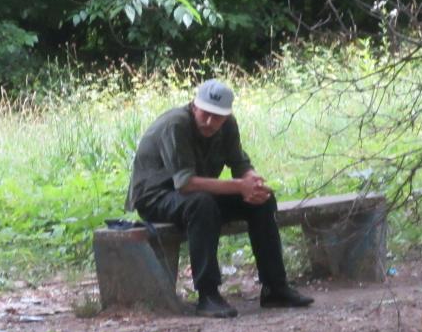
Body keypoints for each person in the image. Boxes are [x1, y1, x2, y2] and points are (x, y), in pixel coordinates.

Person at [126, 79, 315, 318]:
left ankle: (275, 287)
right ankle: (208, 294)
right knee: (201, 204)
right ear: (194, 106)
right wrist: (239, 186)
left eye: (217, 117)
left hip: (196, 195)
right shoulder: (176, 125)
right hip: (155, 197)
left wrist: (252, 181)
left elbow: (240, 164)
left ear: (226, 116)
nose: (209, 121)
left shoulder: (228, 126)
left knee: (262, 201)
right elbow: (185, 184)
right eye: (205, 113)